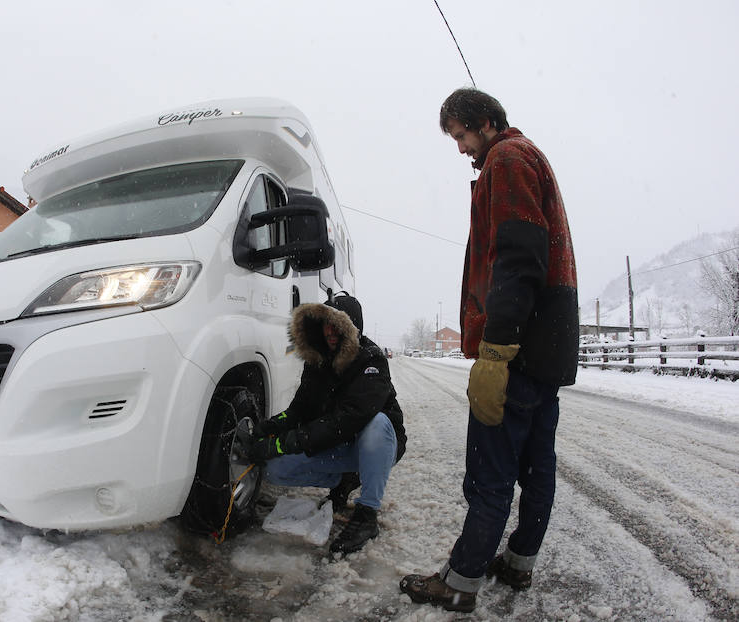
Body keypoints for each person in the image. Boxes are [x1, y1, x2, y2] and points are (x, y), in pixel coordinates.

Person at [399, 88, 578, 612]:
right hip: (547, 340)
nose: (459, 148)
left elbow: (518, 256)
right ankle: (519, 563)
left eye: (460, 135)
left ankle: (460, 581)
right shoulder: (526, 156)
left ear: (485, 122)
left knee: (490, 470)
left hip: (518, 344)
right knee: (536, 465)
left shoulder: (507, 159)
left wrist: (496, 350)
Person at [244, 293, 407, 555]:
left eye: (336, 325)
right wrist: (272, 427)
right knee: (275, 470)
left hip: (374, 445)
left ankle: (367, 514)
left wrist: (286, 442)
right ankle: (345, 479)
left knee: (377, 424)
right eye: (325, 324)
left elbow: (347, 419)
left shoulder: (372, 361)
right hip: (339, 444)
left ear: (351, 328)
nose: (329, 332)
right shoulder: (318, 361)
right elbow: (299, 411)